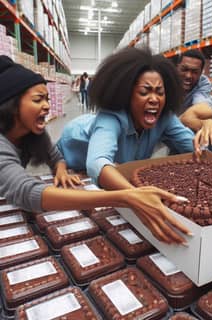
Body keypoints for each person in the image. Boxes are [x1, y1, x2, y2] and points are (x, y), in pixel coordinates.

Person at [0, 55, 191, 245]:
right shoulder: (109, 119)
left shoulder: (33, 135)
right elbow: (25, 191)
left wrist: (60, 170)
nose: (47, 106)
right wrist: (125, 197)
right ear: (12, 105)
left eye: (160, 92)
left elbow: (55, 156)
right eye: (38, 100)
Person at [57, 47, 194, 200]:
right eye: (144, 92)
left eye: (160, 92)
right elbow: (96, 163)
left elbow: (193, 147)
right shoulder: (110, 118)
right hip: (73, 152)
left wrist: (208, 133)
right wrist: (139, 197)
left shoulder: (164, 118)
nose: (154, 99)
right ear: (127, 94)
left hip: (114, 165)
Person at [176, 49, 212, 116]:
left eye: (195, 72)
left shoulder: (204, 83)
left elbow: (199, 103)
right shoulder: (168, 80)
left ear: (201, 73)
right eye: (184, 69)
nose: (188, 76)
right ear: (177, 67)